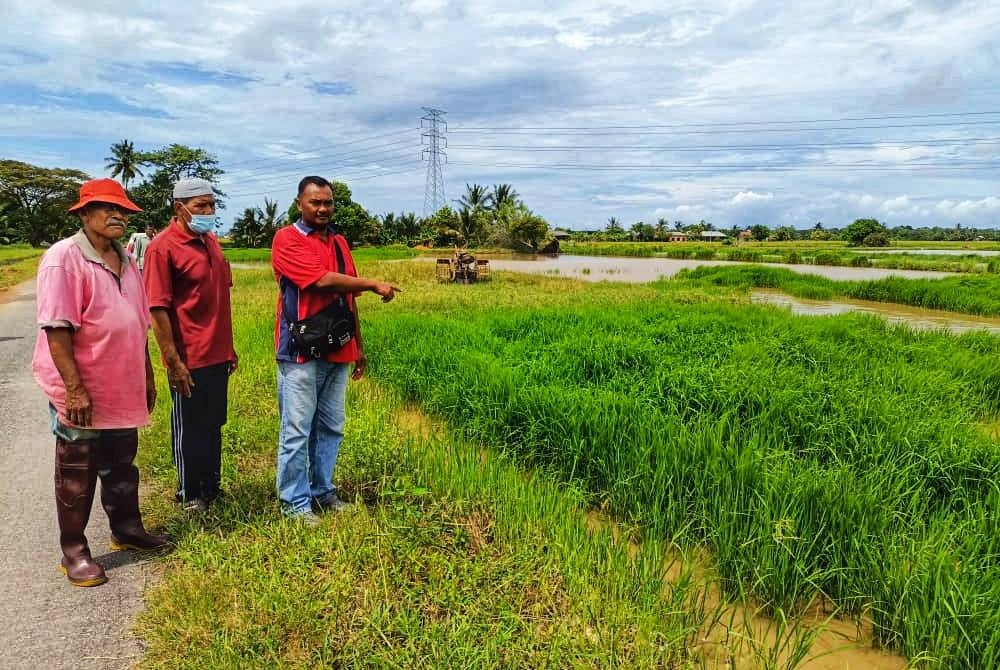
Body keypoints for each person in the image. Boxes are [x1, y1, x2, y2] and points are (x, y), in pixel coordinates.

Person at [32, 178, 169, 587]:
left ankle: (126, 530)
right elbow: (57, 329)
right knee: (77, 468)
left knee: (121, 463)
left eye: (123, 211)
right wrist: (74, 389)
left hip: (120, 383)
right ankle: (74, 552)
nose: (118, 216)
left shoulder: (126, 259)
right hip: (81, 387)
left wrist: (145, 375)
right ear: (84, 214)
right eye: (108, 209)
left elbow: (138, 325)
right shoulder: (64, 258)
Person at [271, 176, 400, 523]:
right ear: (300, 203)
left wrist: (358, 345)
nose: (323, 208)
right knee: (297, 429)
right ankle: (294, 504)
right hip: (300, 350)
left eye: (328, 202)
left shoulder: (341, 243)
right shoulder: (286, 239)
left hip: (338, 348)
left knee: (331, 426)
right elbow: (320, 281)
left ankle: (322, 491)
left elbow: (347, 298)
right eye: (315, 202)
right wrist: (374, 283)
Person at [144, 178, 237, 513]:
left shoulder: (210, 241)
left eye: (212, 205)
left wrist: (229, 349)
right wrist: (173, 361)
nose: (209, 211)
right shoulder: (163, 247)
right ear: (179, 208)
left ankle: (212, 486)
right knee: (189, 426)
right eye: (201, 206)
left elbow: (217, 300)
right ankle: (189, 492)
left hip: (217, 353)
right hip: (189, 356)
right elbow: (157, 308)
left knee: (213, 423)